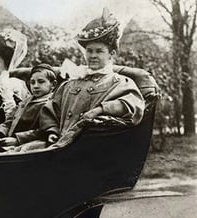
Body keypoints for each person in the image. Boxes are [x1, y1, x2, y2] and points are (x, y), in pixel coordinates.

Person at [38, 9, 145, 149]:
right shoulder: (71, 83)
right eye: (89, 51)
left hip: (93, 148)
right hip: (59, 144)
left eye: (99, 51)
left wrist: (100, 109)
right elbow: (50, 109)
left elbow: (132, 105)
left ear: (111, 54)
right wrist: (52, 130)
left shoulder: (119, 82)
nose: (93, 55)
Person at [0, 63, 58, 152]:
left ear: (53, 85)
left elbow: (45, 130)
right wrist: (0, 135)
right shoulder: (24, 102)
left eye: (41, 81)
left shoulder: (51, 103)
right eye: (32, 82)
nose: (36, 86)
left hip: (30, 143)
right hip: (10, 140)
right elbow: (9, 121)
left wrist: (17, 139)